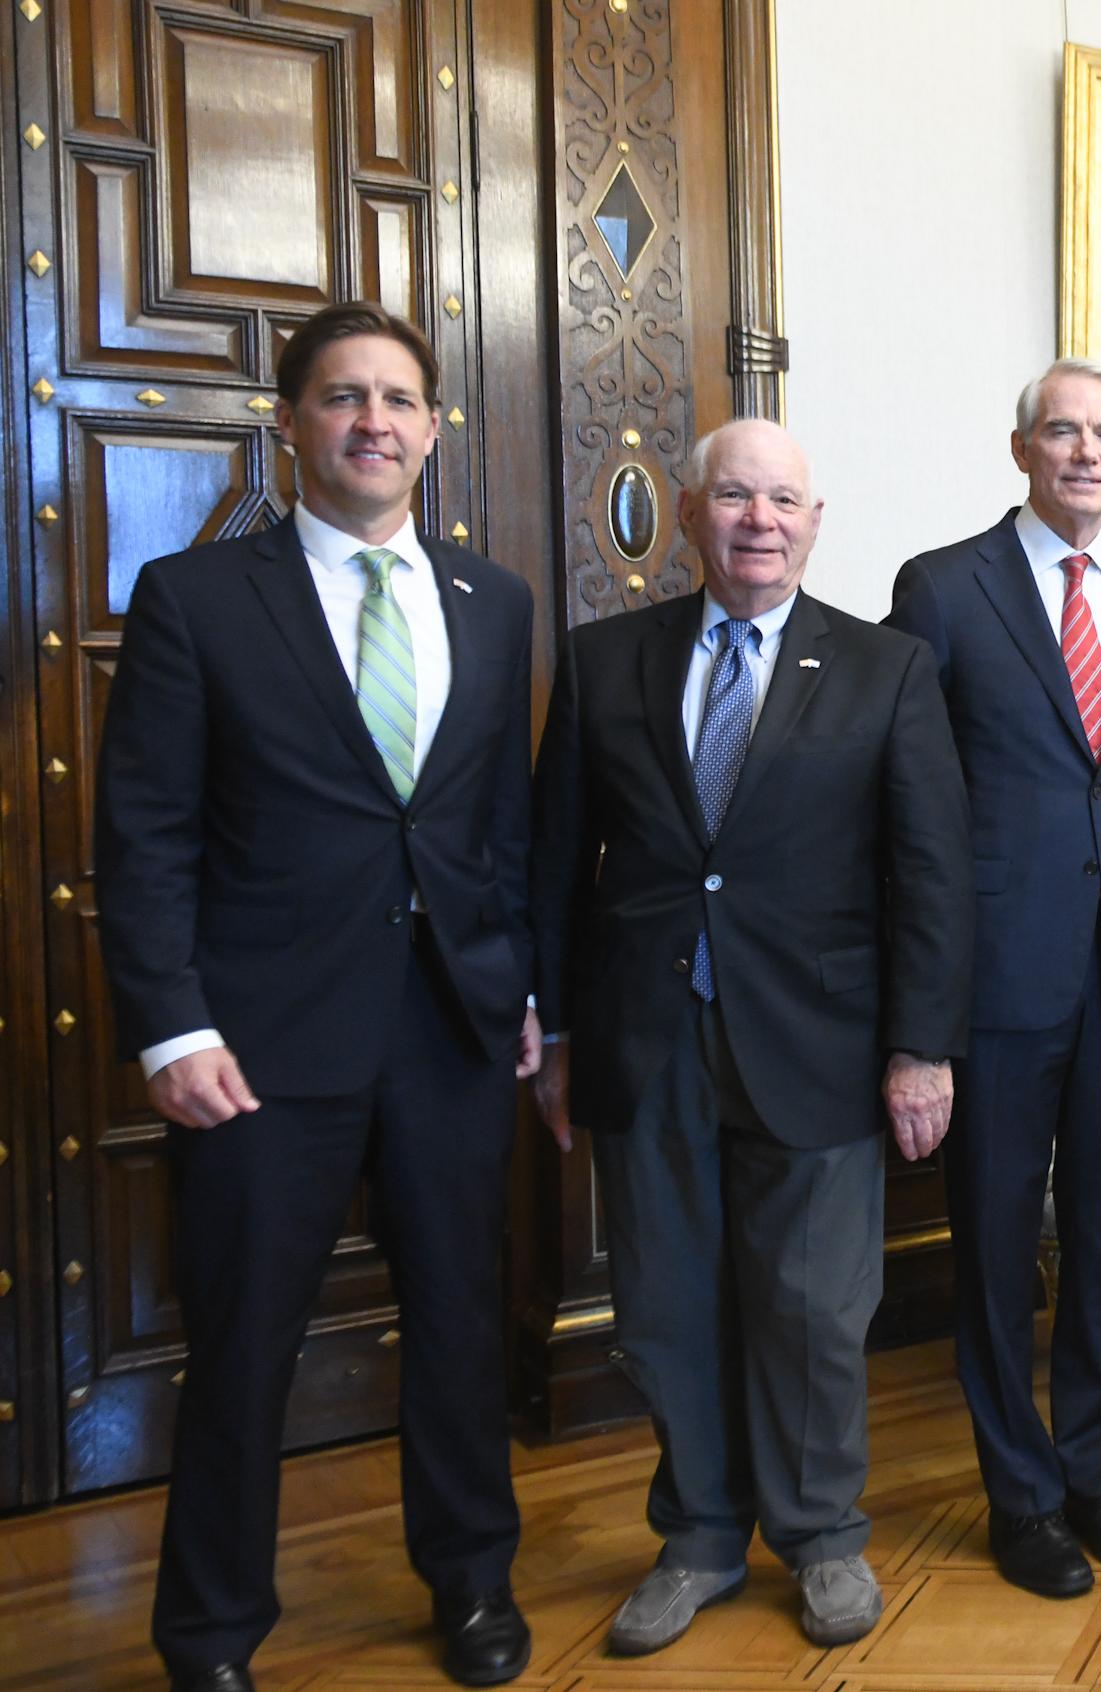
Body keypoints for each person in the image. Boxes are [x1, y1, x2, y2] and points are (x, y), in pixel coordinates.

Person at [96, 303, 539, 1692]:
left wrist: (519, 987)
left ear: (431, 428)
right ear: (289, 424)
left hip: (453, 1037)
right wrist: (171, 1021)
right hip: (257, 1047)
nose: (374, 422)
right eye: (343, 398)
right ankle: (211, 1633)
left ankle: (470, 1587)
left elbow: (497, 829)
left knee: (463, 1329)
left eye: (399, 399)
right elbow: (146, 831)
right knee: (241, 1348)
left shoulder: (494, 599)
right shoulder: (197, 599)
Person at [530, 418, 971, 1655]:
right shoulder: (604, 658)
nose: (759, 520)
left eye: (783, 500)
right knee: (665, 1306)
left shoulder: (887, 670)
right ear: (689, 516)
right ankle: (701, 1536)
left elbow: (930, 873)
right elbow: (558, 867)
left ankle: (824, 1534)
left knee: (818, 1307)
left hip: (823, 1040)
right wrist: (557, 1033)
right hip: (645, 1036)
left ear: (815, 523)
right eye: (734, 497)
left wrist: (921, 1047)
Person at [888, 358, 1101, 1598]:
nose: (1086, 451)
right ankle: (1017, 1494)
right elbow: (913, 797)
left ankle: (1096, 1471)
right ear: (1021, 448)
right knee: (998, 1246)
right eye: (1062, 431)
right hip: (994, 977)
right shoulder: (942, 586)